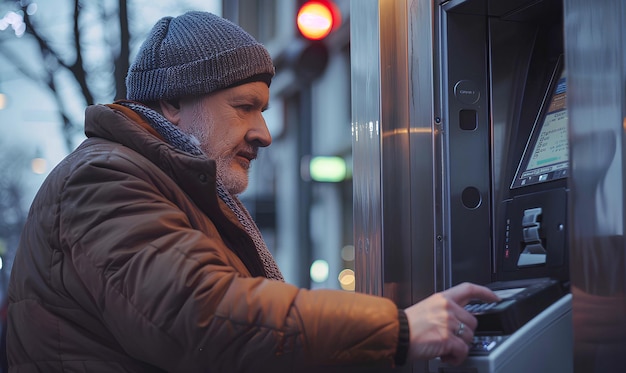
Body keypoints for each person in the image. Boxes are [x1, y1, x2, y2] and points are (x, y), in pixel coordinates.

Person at [6, 11, 499, 373]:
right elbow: (201, 316)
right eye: (244, 106)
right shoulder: (105, 179)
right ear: (173, 102)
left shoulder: (163, 183)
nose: (263, 132)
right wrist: (398, 330)